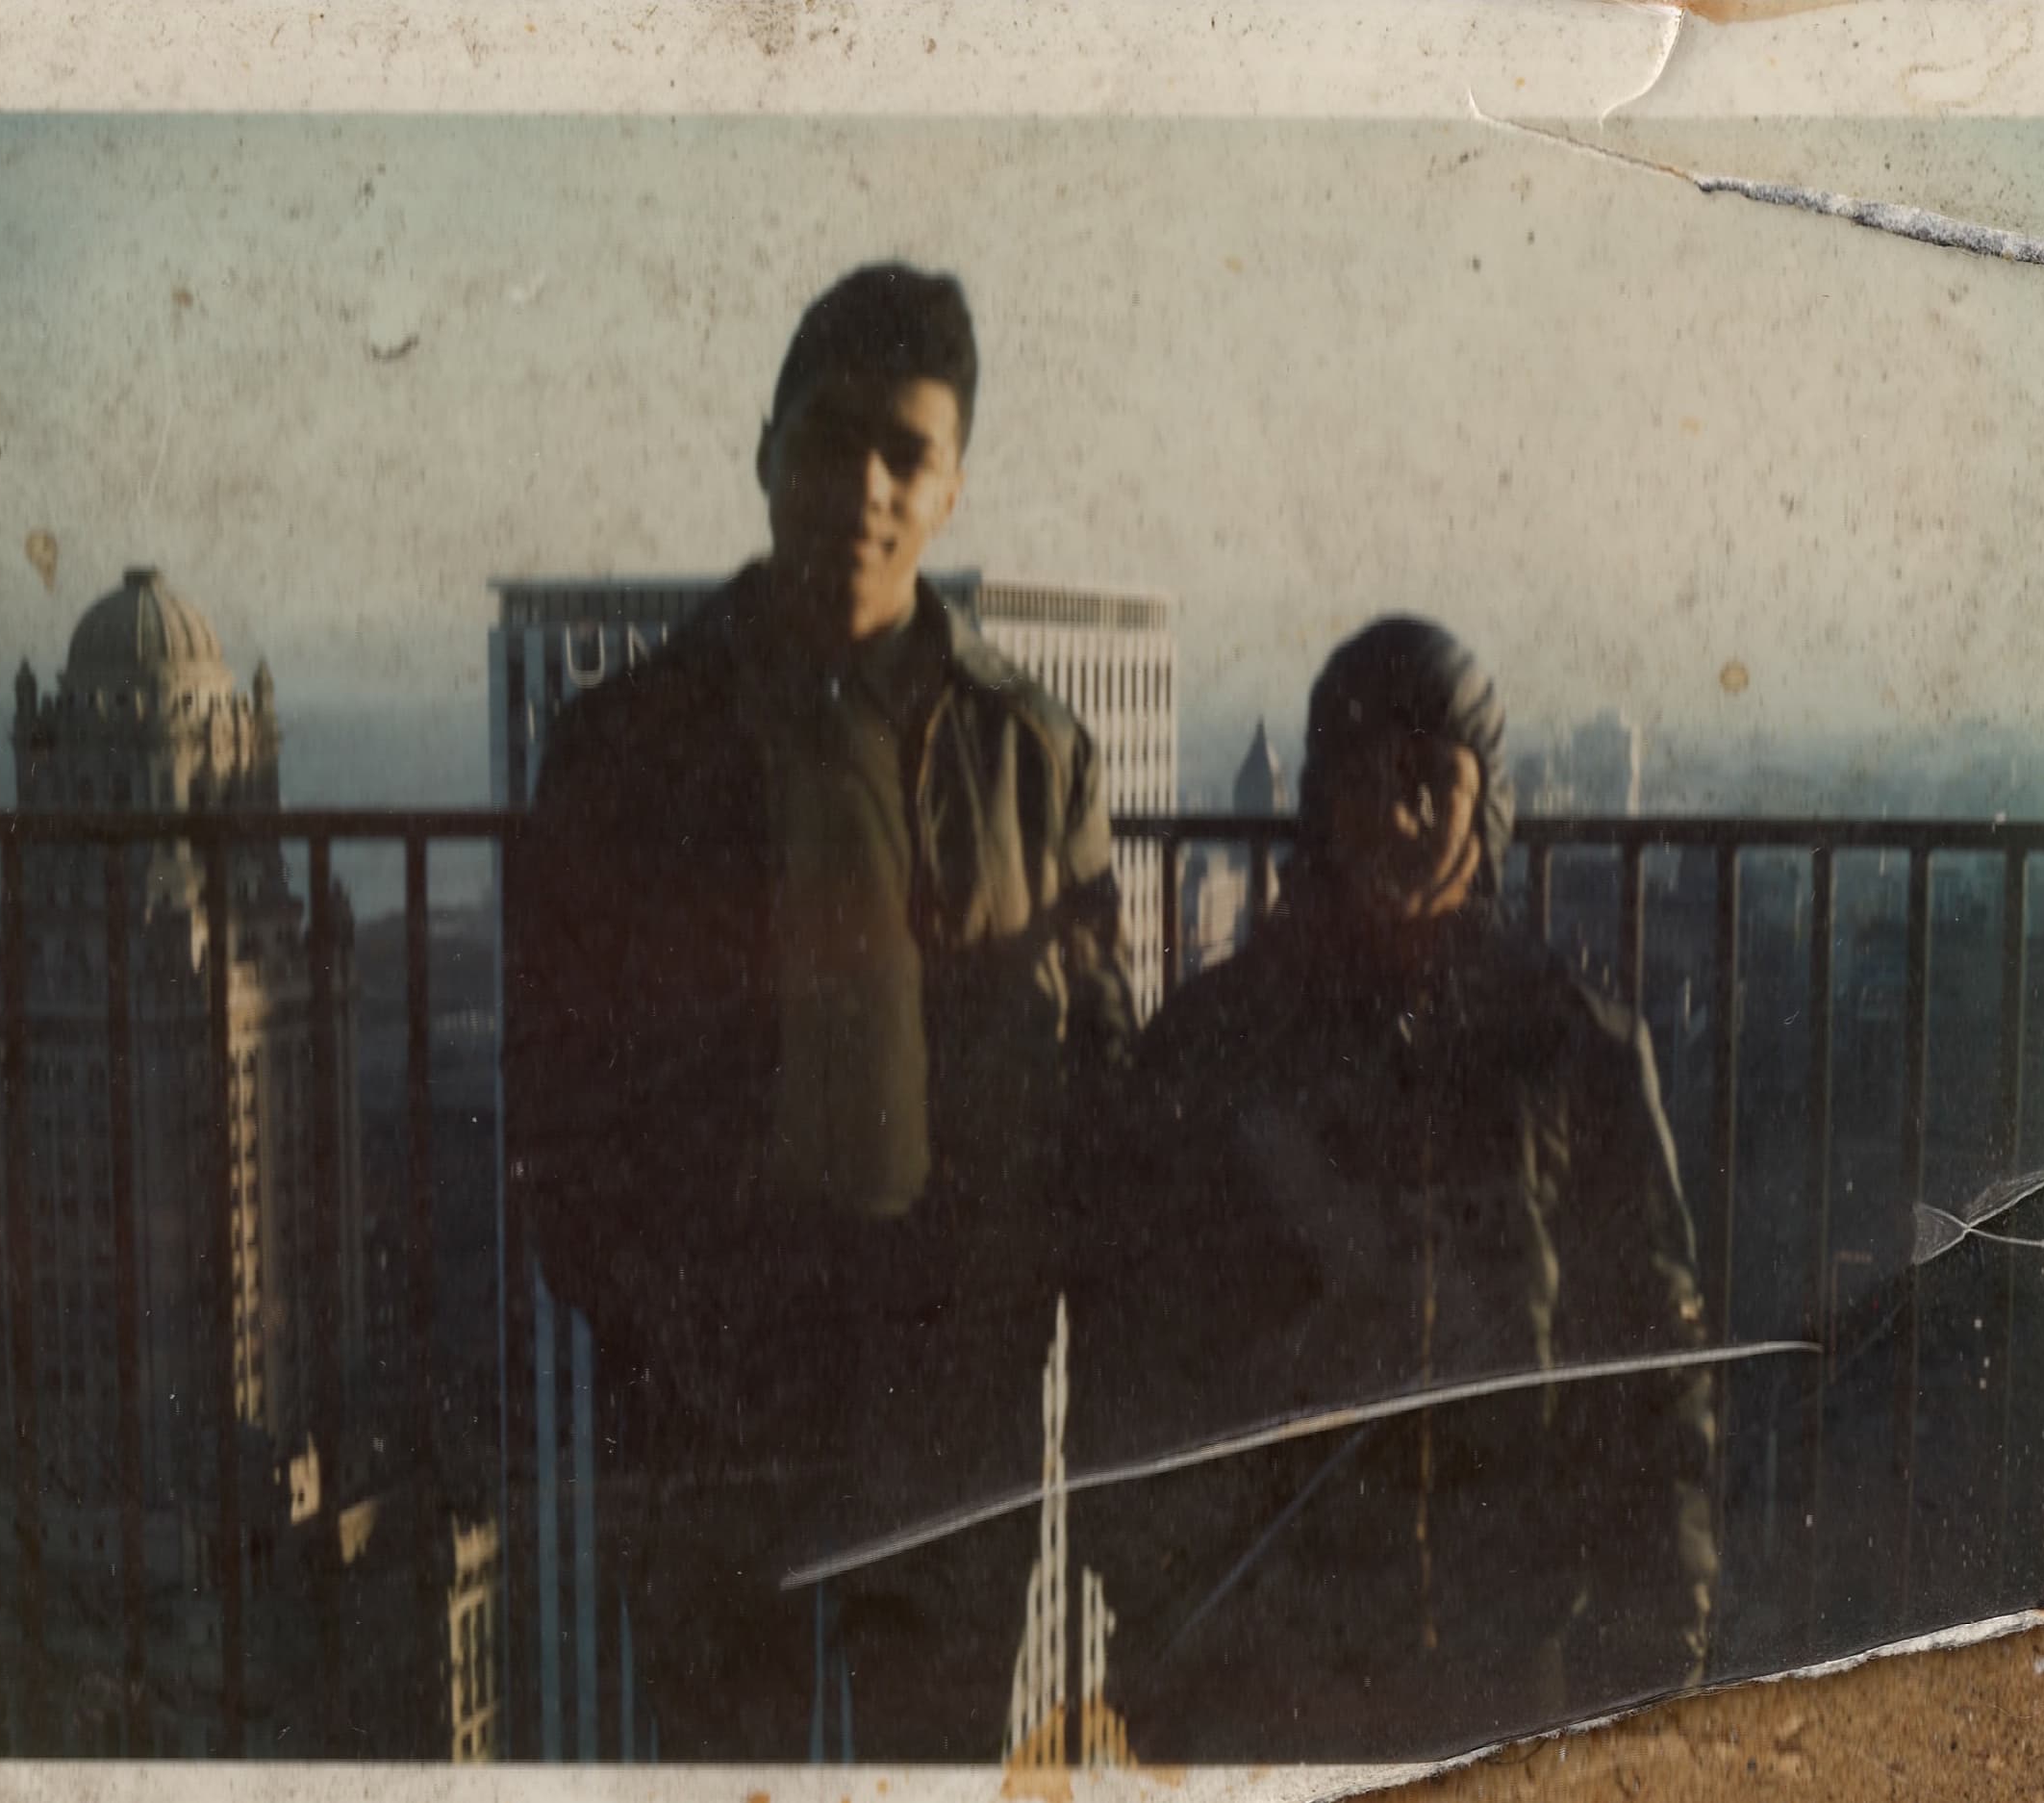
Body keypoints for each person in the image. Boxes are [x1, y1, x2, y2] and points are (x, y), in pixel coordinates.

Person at [504, 262, 1137, 1759]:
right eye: (832, 437)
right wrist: (659, 1322)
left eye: (906, 452)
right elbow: (557, 1096)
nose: (865, 484)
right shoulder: (621, 752)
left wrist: (1009, 1335)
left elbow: (1100, 1101)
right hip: (713, 1402)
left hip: (948, 1403)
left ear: (954, 486)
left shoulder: (1037, 760)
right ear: (768, 446)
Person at [1066, 617, 1715, 1762]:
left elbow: (1651, 1377)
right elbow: (1134, 1369)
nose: (1400, 810)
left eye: (1430, 776)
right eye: (1365, 777)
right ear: (1317, 798)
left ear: (1485, 797)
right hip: (1264, 1662)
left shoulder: (1568, 1052)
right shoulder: (1210, 1051)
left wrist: (1650, 1662)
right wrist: (1168, 1624)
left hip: (1508, 1653)